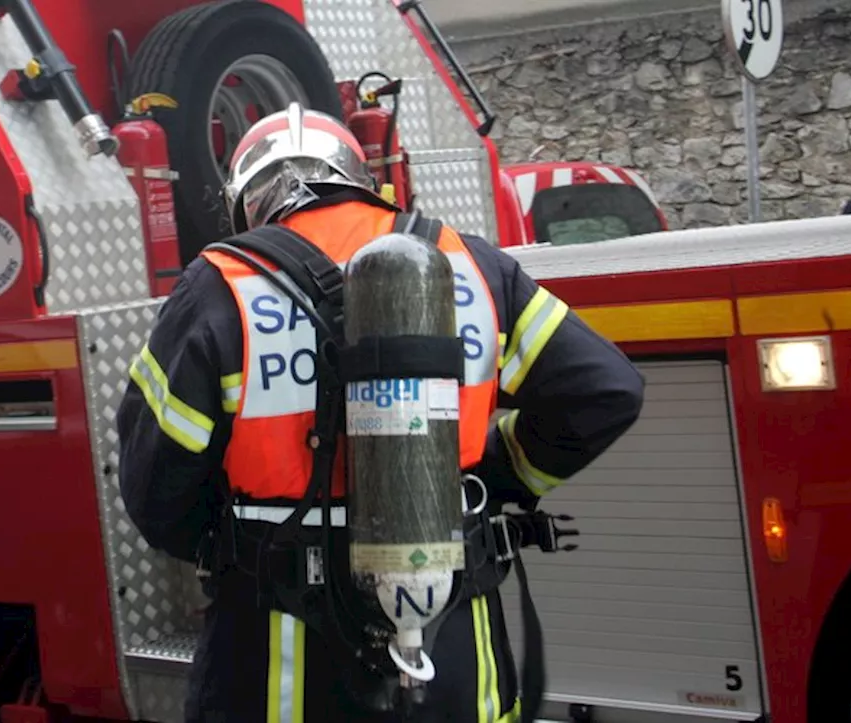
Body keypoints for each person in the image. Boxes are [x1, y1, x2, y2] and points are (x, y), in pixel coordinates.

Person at [116, 103, 646, 723]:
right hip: (456, 651)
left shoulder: (220, 284)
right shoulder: (472, 264)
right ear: (361, 181)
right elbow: (605, 391)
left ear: (249, 204)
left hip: (279, 659)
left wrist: (242, 542)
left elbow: (156, 490)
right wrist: (496, 477)